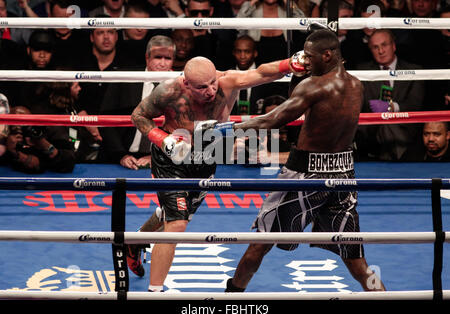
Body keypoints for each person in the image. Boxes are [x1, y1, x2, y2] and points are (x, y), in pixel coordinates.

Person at [201, 28, 385, 292]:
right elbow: (313, 108)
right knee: (355, 259)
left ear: (328, 54)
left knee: (260, 243)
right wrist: (300, 76)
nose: (306, 61)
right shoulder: (356, 85)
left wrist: (224, 130)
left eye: (310, 57)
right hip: (344, 173)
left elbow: (272, 119)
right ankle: (383, 296)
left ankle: (231, 295)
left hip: (305, 175)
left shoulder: (315, 86)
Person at [128, 52, 306, 291]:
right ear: (186, 83)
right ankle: (154, 292)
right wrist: (162, 139)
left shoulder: (227, 82)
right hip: (171, 158)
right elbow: (138, 115)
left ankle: (136, 240)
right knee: (177, 224)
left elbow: (262, 72)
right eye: (202, 87)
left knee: (175, 214)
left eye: (212, 82)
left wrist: (289, 64)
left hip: (207, 157)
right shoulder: (168, 91)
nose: (211, 91)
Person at [99, 35, 176, 170]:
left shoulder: (180, 86)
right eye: (158, 57)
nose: (162, 63)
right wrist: (121, 156)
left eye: (167, 58)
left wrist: (157, 156)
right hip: (118, 157)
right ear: (147, 58)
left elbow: (182, 128)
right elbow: (106, 120)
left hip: (162, 160)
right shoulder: (126, 79)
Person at [354, 29, 425, 161]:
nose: (381, 51)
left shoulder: (414, 70)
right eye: (375, 47)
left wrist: (391, 107)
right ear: (370, 50)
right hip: (372, 129)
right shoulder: (362, 71)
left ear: (393, 46)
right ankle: (401, 164)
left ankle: (389, 165)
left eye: (384, 45)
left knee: (388, 122)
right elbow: (358, 105)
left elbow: (415, 104)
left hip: (404, 127)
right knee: (384, 122)